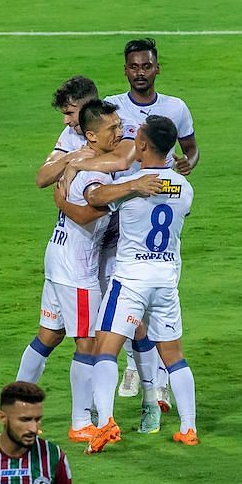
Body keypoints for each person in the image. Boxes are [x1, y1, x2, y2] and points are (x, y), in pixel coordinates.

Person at [17, 95, 163, 448]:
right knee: (90, 343)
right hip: (78, 269)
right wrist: (132, 189)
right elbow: (89, 208)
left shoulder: (85, 161)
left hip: (59, 258)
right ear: (93, 135)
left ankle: (16, 404)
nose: (119, 132)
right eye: (113, 128)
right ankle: (82, 421)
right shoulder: (90, 170)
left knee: (48, 335)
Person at [87, 116, 199, 446]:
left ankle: (105, 422)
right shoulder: (186, 188)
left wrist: (131, 185)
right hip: (165, 282)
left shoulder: (133, 185)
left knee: (105, 349)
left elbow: (96, 198)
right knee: (174, 356)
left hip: (130, 281)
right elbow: (174, 203)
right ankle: (188, 428)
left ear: (143, 145)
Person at [104, 38, 199, 404]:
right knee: (128, 291)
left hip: (157, 202)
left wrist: (190, 164)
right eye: (134, 67)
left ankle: (153, 375)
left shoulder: (176, 108)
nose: (140, 73)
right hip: (123, 204)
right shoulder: (113, 107)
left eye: (146, 66)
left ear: (157, 68)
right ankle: (136, 364)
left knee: (141, 289)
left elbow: (190, 149)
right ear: (125, 69)